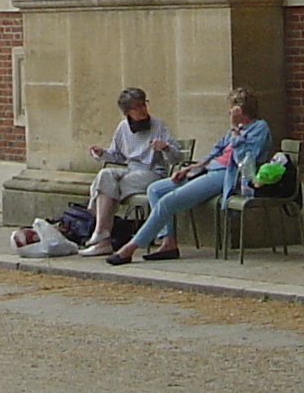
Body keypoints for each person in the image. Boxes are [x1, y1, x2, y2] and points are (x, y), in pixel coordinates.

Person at [105, 87, 274, 266]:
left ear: (241, 110)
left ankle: (130, 248)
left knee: (167, 202)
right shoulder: (238, 128)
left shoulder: (259, 128)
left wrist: (234, 129)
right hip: (210, 169)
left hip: (227, 176)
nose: (228, 112)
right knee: (155, 189)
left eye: (231, 108)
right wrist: (190, 168)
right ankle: (168, 242)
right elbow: (214, 153)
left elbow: (245, 159)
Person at [77, 87, 173, 255]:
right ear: (127, 112)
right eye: (137, 107)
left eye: (144, 105)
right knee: (105, 175)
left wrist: (165, 147)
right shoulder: (123, 128)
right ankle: (102, 236)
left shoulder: (158, 125)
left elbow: (176, 155)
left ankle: (102, 236)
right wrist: (102, 153)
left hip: (152, 173)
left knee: (110, 188)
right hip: (131, 170)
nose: (143, 110)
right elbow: (117, 155)